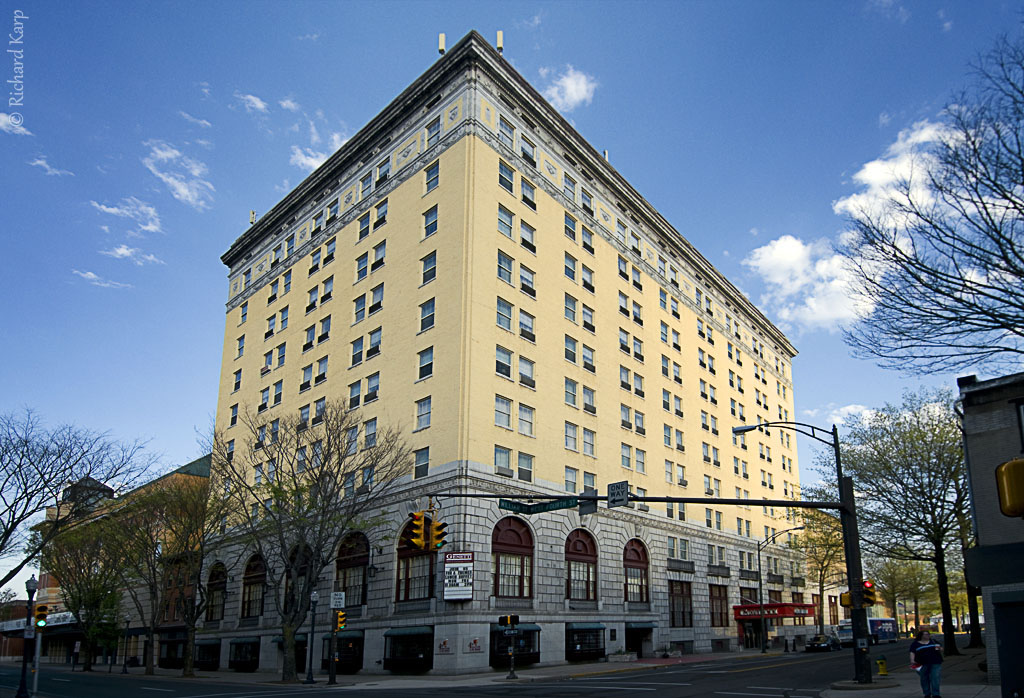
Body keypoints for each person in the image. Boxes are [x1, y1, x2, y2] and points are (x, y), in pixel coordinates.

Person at [909, 629, 943, 698]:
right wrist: (912, 660)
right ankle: (927, 693)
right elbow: (912, 652)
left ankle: (936, 694)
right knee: (924, 678)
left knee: (935, 678)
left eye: (928, 634)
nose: (928, 636)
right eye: (926, 634)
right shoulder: (915, 644)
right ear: (921, 636)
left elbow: (941, 649)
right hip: (922, 663)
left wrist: (940, 649)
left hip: (935, 662)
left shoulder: (933, 642)